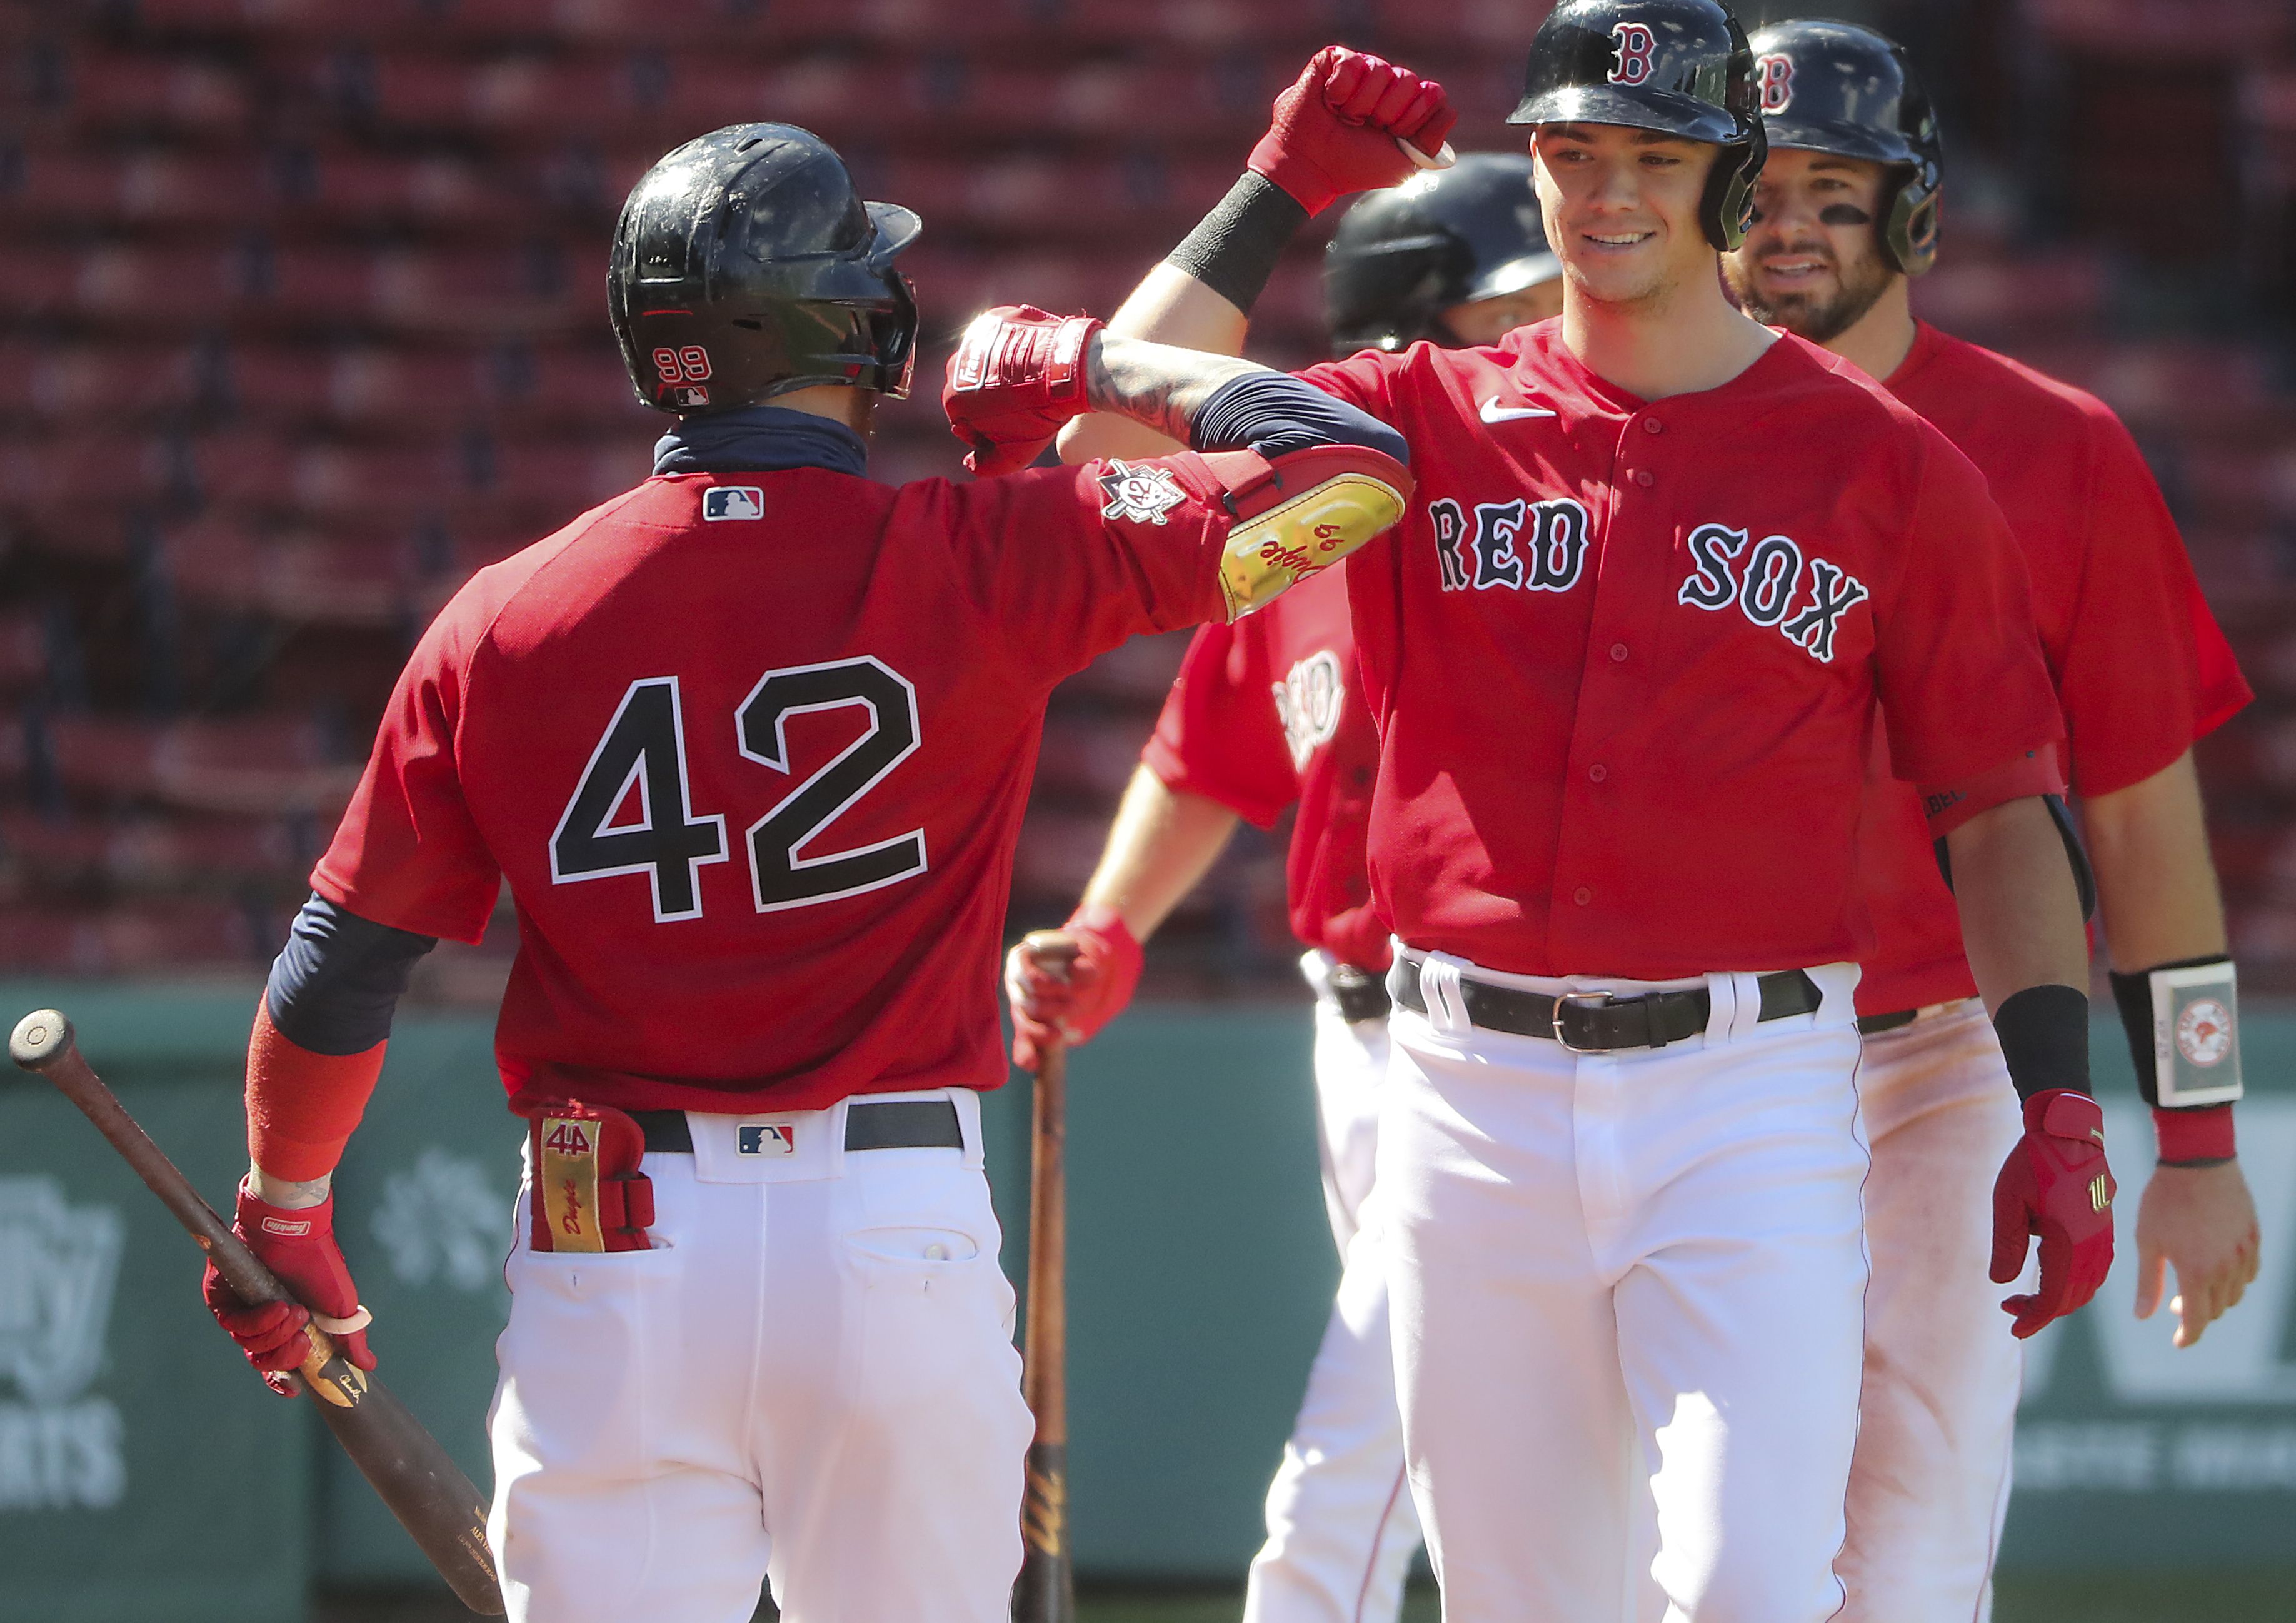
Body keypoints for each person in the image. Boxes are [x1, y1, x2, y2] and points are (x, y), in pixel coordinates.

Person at [191, 122, 1416, 1623]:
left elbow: (341, 963)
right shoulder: (974, 553)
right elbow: (1350, 472)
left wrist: (286, 1214)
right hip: (887, 1234)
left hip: (613, 1245)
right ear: (848, 323)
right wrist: (1090, 362)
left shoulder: (499, 621)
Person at [1027, 0, 2112, 1620]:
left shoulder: (1886, 467)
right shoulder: (1415, 418)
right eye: (1570, 149)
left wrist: (2061, 1097)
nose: (1604, 193)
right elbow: (1104, 434)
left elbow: (1999, 806)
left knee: (1751, 1581)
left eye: (1653, 157)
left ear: (1733, 182)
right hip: (1464, 1085)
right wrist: (1278, 187)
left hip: (1752, 1089)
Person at [1724, 18, 2262, 1621]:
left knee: (1916, 1540)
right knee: (1699, 1546)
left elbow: (2150, 836)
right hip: (1703, 1050)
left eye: (1835, 189)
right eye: (1754, 188)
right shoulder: (1639, 429)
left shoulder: (2059, 449)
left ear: (1913, 212)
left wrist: (2204, 1139)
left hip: (1951, 1054)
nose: (1788, 225)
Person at [1007, 154, 1562, 1623]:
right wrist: (1112, 922)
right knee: (1458, 1439)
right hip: (1361, 1035)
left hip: (1511, 1042)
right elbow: (1204, 760)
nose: (1547, 334)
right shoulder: (1308, 526)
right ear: (1387, 343)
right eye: (1504, 311)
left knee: (1365, 1448)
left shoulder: (1560, 516)